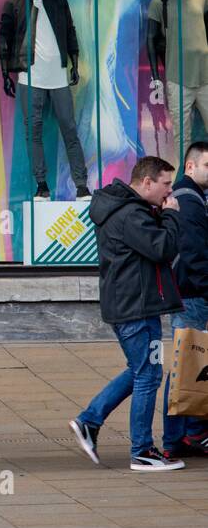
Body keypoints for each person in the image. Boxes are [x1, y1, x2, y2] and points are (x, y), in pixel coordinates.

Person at [72, 156, 186, 472]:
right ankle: (142, 451)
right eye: (165, 184)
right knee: (148, 374)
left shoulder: (127, 210)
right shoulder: (131, 216)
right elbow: (162, 248)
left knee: (140, 370)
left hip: (134, 305)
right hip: (135, 308)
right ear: (146, 182)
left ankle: (89, 421)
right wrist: (172, 217)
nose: (169, 192)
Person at [163, 142, 208, 458]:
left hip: (190, 292)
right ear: (190, 166)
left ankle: (187, 434)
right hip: (192, 294)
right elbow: (194, 254)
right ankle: (179, 436)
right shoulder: (189, 201)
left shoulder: (193, 198)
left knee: (190, 363)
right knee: (185, 364)